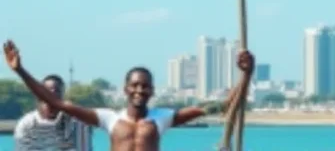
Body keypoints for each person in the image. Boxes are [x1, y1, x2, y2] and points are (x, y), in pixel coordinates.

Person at [4, 40, 254, 151]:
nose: (139, 90)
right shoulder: (108, 119)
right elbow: (55, 101)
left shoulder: (162, 118)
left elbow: (223, 107)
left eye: (145, 86)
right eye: (134, 85)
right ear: (125, 89)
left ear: (152, 91)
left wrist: (246, 74)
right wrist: (20, 70)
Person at [13, 73, 93, 151]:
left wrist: (74, 112)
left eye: (57, 92)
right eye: (47, 92)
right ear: (39, 96)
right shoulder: (26, 124)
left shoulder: (77, 122)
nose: (51, 95)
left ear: (62, 97)